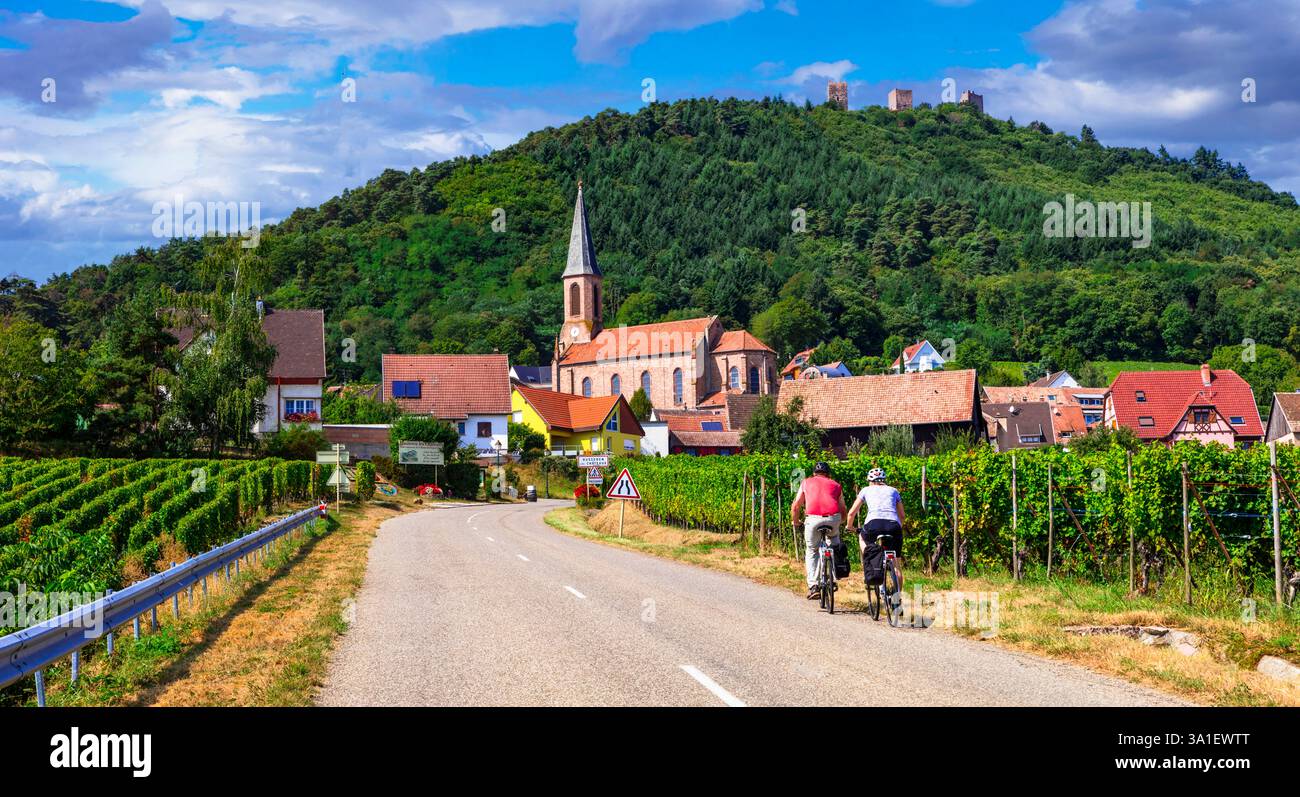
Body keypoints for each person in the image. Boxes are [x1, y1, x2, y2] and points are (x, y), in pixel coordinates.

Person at [790, 461, 847, 600]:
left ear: (814, 473)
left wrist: (796, 521)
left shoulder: (806, 482)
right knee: (834, 544)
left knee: (812, 550)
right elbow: (843, 508)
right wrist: (842, 521)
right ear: (828, 474)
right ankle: (832, 579)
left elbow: (796, 505)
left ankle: (813, 586)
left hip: (813, 519)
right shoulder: (836, 485)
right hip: (833, 519)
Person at [846, 466, 905, 590]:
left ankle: (869, 562)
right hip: (893, 525)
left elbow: (851, 513)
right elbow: (902, 515)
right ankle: (897, 598)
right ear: (884, 479)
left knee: (862, 537)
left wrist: (849, 526)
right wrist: (898, 528)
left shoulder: (866, 490)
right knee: (896, 565)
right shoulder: (894, 491)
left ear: (870, 481)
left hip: (873, 524)